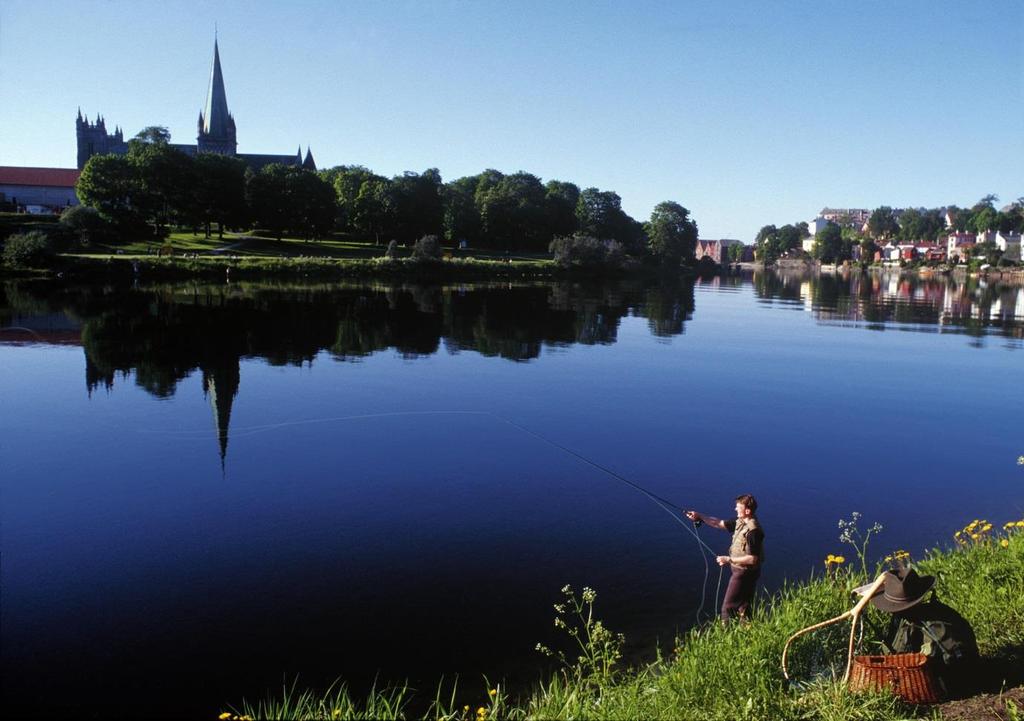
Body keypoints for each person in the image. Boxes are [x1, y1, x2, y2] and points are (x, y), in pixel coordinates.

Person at [855, 567, 979, 698]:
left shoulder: (913, 626)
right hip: (972, 671)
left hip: (945, 684)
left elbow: (904, 663)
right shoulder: (940, 611)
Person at [685, 494, 764, 621]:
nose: (735, 509)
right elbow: (718, 523)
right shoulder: (741, 521)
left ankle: (726, 635)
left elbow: (753, 559)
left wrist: (729, 560)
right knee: (743, 606)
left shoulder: (753, 531)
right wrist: (699, 516)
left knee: (728, 607)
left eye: (738, 507)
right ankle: (747, 631)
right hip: (743, 572)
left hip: (744, 573)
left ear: (747, 511)